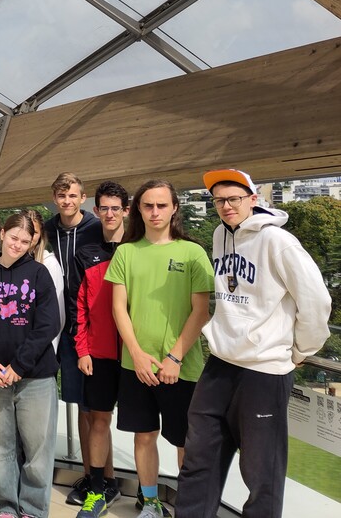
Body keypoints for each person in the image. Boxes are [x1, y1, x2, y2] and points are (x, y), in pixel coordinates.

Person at [178, 169, 332, 518]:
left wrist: (301, 350)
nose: (226, 206)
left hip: (264, 371)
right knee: (198, 460)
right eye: (219, 200)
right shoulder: (220, 234)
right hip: (220, 364)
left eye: (234, 198)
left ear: (252, 199)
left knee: (262, 473)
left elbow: (316, 301)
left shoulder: (279, 241)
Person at [105, 179, 213, 518]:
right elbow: (118, 308)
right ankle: (150, 504)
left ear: (174, 208)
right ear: (138, 209)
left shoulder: (192, 252)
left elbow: (201, 311)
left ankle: (190, 509)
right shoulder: (126, 252)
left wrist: (174, 357)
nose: (155, 212)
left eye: (161, 205)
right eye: (148, 205)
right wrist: (137, 354)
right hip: (136, 366)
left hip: (182, 367)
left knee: (186, 443)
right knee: (143, 437)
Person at [0, 212, 61, 518]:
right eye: (13, 237)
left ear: (32, 242)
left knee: (38, 450)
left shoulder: (39, 273)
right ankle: (5, 507)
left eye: (24, 241)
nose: (17, 245)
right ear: (2, 234)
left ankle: (32, 509)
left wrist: (19, 365)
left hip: (35, 377)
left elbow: (48, 325)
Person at [43, 172, 104, 506]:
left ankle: (104, 479)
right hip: (62, 326)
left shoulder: (96, 228)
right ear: (55, 198)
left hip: (94, 326)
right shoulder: (47, 230)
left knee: (97, 408)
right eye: (61, 196)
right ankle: (91, 475)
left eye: (73, 195)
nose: (67, 201)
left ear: (83, 198)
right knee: (81, 404)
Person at [71, 181, 130, 517]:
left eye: (115, 208)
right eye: (103, 208)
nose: (109, 214)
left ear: (125, 210)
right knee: (98, 420)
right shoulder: (86, 254)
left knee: (145, 429)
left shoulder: (137, 250)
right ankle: (96, 490)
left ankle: (147, 494)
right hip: (99, 353)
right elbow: (79, 307)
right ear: (95, 211)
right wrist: (83, 349)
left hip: (136, 355)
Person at [26, 209, 65, 352]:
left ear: (41, 235)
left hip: (41, 351)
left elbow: (57, 315)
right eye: (25, 230)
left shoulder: (49, 264)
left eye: (34, 232)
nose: (29, 236)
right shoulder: (7, 264)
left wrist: (49, 351)